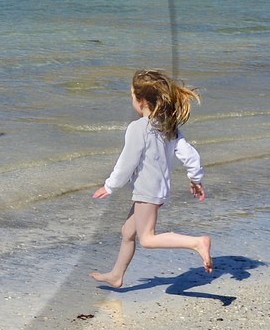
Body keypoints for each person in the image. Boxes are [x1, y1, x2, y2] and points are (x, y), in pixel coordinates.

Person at [90, 69, 211, 287]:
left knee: (147, 239)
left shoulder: (138, 128)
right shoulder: (167, 125)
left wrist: (110, 185)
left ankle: (196, 243)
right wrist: (195, 179)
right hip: (159, 189)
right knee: (128, 232)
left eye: (132, 97)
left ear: (142, 100)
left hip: (147, 191)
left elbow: (128, 161)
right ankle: (116, 275)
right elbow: (189, 154)